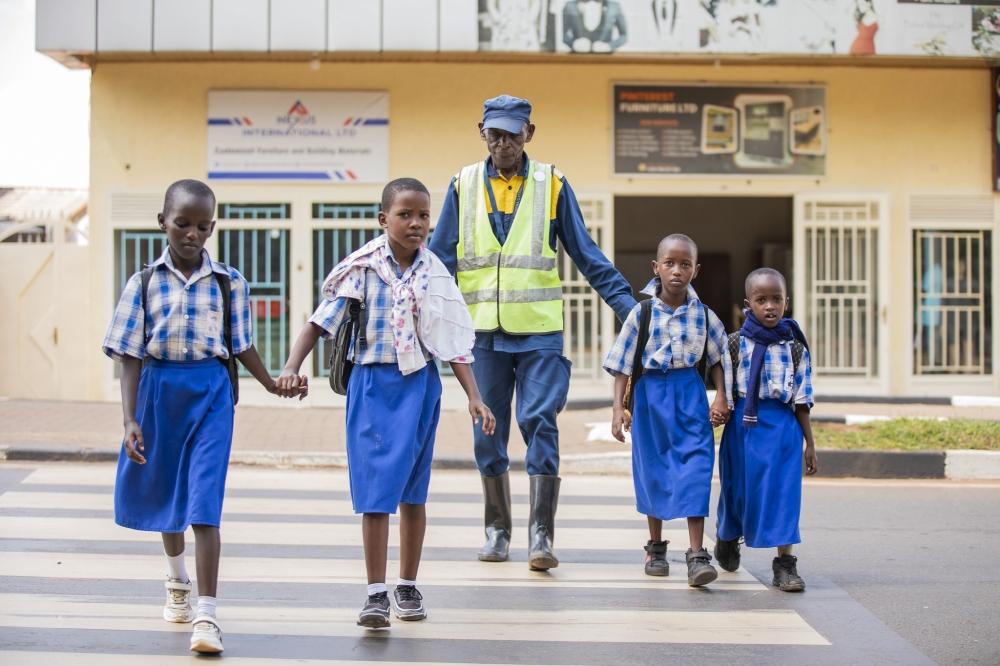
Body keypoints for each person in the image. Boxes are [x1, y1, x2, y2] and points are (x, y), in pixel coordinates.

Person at [276, 178, 495, 628]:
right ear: (383, 220)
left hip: (420, 388)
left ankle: (407, 585)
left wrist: (474, 396)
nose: (416, 224)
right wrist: (292, 366)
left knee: (414, 492)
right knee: (375, 494)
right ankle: (375, 593)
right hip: (372, 387)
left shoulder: (435, 272)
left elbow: (451, 339)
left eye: (423, 216)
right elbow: (320, 322)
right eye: (405, 215)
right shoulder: (362, 269)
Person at [429, 95, 636, 570]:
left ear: (529, 133)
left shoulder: (552, 184)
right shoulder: (461, 185)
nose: (503, 143)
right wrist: (426, 316)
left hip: (540, 332)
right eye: (494, 134)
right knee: (488, 431)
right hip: (480, 335)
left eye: (512, 134)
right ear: (482, 132)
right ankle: (497, 529)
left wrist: (630, 310)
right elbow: (439, 259)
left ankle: (540, 536)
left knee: (540, 421)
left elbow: (586, 254)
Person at [102, 179, 297, 654]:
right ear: (163, 223)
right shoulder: (143, 282)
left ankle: (207, 616)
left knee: (204, 500)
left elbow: (242, 344)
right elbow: (128, 354)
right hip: (159, 392)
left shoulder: (230, 282)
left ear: (213, 227)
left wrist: (272, 382)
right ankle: (177, 582)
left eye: (203, 226)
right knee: (170, 495)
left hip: (211, 393)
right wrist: (130, 419)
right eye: (183, 224)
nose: (193, 234)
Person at [607, 234, 730, 587]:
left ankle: (696, 555)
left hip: (689, 390)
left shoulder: (705, 315)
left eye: (685, 264)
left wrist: (720, 395)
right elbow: (622, 364)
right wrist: (618, 408)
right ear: (656, 267)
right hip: (650, 398)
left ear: (696, 270)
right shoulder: (640, 313)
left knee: (696, 467)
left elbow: (718, 357)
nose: (677, 271)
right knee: (653, 468)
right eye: (670, 263)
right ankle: (656, 548)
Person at [715, 267, 818, 592]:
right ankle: (728, 535)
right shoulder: (733, 345)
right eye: (762, 300)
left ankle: (785, 565)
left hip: (783, 431)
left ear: (786, 302)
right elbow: (725, 392)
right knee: (739, 492)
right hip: (743, 430)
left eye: (776, 299)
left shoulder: (796, 348)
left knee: (784, 495)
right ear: (748, 304)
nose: (770, 306)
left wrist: (809, 444)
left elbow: (802, 401)